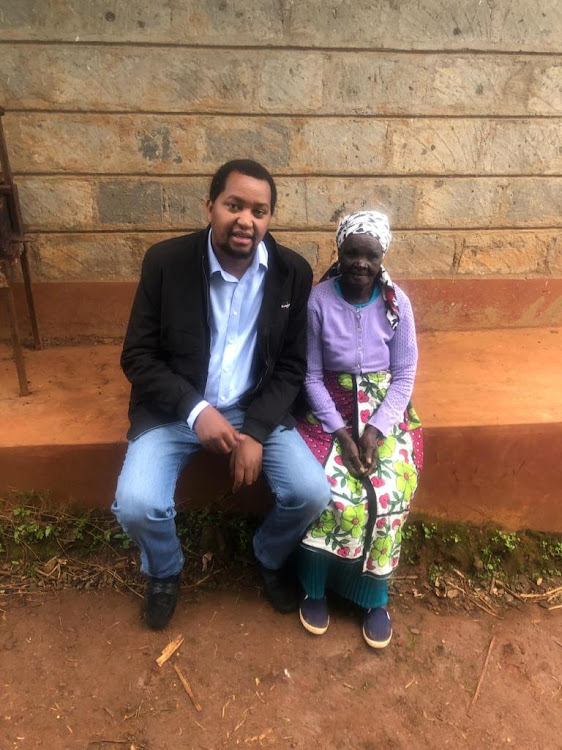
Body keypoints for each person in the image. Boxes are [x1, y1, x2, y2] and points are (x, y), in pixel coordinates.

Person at [112, 159, 331, 629]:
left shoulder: (292, 272)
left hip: (254, 408)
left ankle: (268, 556)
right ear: (210, 206)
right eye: (234, 205)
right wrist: (196, 410)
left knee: (311, 492)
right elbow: (138, 357)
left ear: (270, 218)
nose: (246, 221)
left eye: (260, 210)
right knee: (136, 503)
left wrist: (254, 430)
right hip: (175, 410)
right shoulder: (166, 263)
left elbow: (292, 366)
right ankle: (165, 571)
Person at [295, 210, 423, 648]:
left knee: (390, 489)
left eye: (371, 255)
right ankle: (314, 588)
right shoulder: (319, 300)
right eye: (353, 253)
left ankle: (374, 596)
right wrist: (342, 433)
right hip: (328, 409)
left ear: (382, 255)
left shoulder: (396, 303)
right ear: (339, 251)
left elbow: (404, 374)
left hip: (385, 412)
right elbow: (310, 377)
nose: (361, 264)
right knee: (330, 488)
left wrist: (376, 430)